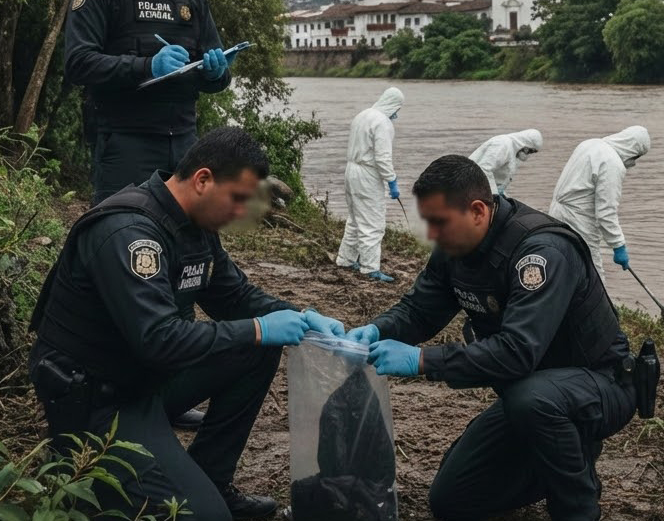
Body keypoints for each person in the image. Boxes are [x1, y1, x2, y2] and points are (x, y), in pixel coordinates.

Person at [28, 128, 345, 521]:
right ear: (203, 180)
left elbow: (234, 296)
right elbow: (159, 340)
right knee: (206, 517)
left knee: (255, 349)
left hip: (145, 382)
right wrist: (260, 328)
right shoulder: (129, 233)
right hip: (96, 401)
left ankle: (212, 479)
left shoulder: (195, 228)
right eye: (238, 198)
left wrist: (301, 318)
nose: (241, 212)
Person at [347, 155, 637, 521]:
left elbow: (517, 353)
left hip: (600, 384)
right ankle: (561, 460)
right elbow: (419, 311)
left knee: (534, 400)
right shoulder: (454, 249)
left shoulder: (541, 253)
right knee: (452, 499)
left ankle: (578, 507)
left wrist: (421, 361)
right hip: (529, 395)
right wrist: (376, 330)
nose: (432, 234)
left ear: (478, 211)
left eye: (439, 222)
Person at [65, 0, 238, 206]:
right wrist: (147, 67)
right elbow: (78, 62)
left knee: (189, 225)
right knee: (123, 223)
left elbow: (219, 73)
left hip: (185, 144)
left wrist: (215, 74)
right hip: (124, 143)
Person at [548, 126, 651, 281]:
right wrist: (618, 246)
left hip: (556, 214)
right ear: (632, 149)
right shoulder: (611, 163)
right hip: (578, 221)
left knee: (562, 267)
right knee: (593, 276)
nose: (633, 162)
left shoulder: (590, 144)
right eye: (636, 157)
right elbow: (606, 212)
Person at [335, 87, 405, 283]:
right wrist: (391, 180)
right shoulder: (383, 123)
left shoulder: (363, 115)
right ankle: (370, 268)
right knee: (373, 223)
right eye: (398, 108)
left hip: (351, 170)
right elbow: (382, 157)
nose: (396, 113)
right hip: (367, 175)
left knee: (355, 219)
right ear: (394, 104)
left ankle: (346, 259)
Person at [468, 129, 543, 196]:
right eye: (530, 151)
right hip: (472, 186)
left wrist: (502, 195)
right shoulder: (503, 144)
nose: (528, 154)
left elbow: (500, 182)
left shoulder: (513, 152)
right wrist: (494, 194)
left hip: (485, 190)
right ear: (524, 144)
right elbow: (484, 169)